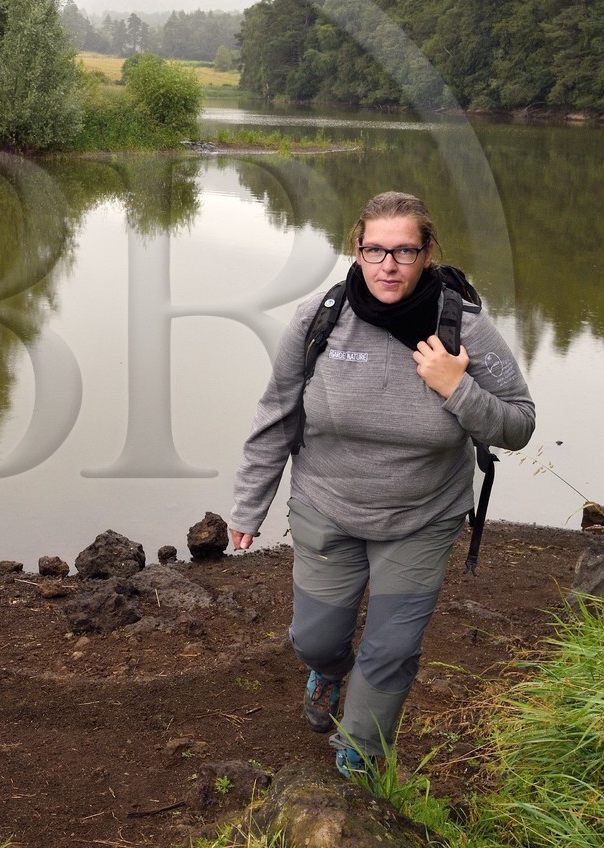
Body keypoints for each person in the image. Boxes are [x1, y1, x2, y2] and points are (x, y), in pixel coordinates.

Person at [228, 191, 535, 777]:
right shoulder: (321, 318)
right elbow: (276, 412)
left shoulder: (464, 326)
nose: (388, 265)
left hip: (422, 519)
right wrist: (249, 506)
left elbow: (519, 423)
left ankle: (360, 758)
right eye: (375, 250)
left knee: (391, 652)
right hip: (327, 505)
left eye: (404, 250)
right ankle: (328, 671)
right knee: (315, 640)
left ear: (426, 254)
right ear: (357, 249)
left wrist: (457, 388)